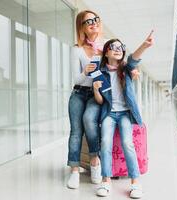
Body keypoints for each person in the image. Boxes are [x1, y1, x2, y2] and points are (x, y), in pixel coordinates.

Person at [92, 31, 154, 198]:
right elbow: (99, 101)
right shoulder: (100, 73)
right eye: (114, 47)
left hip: (125, 113)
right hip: (109, 114)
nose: (119, 49)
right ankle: (106, 180)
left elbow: (134, 59)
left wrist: (145, 44)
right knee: (105, 143)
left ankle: (135, 182)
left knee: (128, 143)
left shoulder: (126, 69)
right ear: (106, 52)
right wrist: (96, 89)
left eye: (121, 47)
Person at [66, 10, 104, 189]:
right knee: (75, 131)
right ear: (81, 27)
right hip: (79, 93)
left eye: (95, 19)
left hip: (95, 94)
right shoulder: (77, 50)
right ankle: (74, 170)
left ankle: (95, 162)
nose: (93, 23)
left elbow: (118, 67)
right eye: (88, 21)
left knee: (90, 120)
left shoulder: (105, 47)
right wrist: (85, 71)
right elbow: (76, 80)